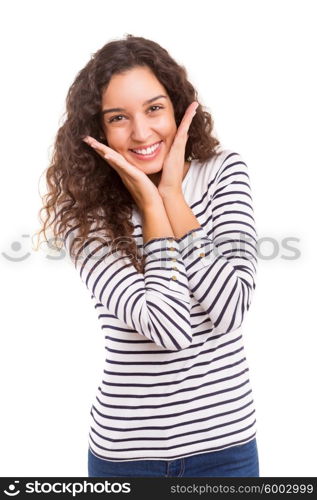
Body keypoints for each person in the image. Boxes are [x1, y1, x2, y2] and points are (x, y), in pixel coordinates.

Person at [36, 34, 259, 477]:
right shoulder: (82, 209)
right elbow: (170, 328)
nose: (141, 133)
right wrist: (153, 207)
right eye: (119, 118)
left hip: (226, 448)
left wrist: (172, 195)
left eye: (154, 108)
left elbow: (231, 309)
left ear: (177, 106)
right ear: (99, 130)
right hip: (127, 458)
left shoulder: (222, 173)